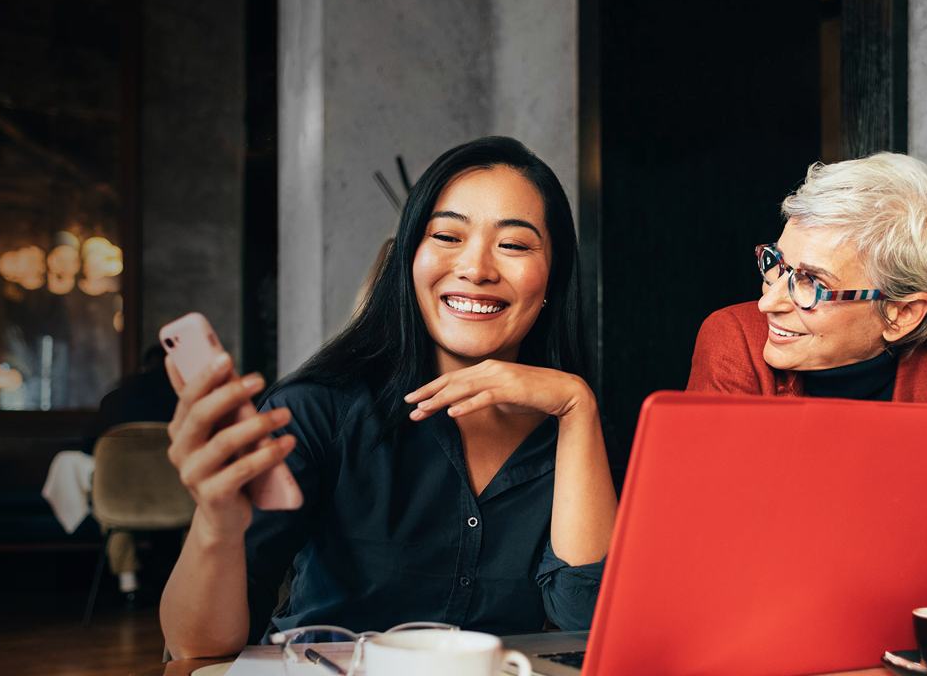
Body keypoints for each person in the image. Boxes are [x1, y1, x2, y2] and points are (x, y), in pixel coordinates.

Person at [158, 136, 617, 658]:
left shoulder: (573, 435)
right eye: (446, 235)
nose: (477, 268)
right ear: (408, 260)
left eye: (513, 245)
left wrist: (577, 408)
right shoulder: (318, 410)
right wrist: (216, 524)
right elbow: (196, 649)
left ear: (553, 276)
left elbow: (588, 629)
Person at [687, 151, 927, 607]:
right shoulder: (735, 341)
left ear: (901, 314)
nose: (768, 303)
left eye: (811, 282)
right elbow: (726, 546)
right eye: (776, 264)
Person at [82, 343, 179, 603]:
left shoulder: (116, 398)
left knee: (111, 506)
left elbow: (88, 445)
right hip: (179, 501)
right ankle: (181, 581)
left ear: (145, 366)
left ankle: (128, 582)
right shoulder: (189, 400)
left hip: (122, 499)